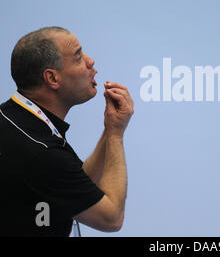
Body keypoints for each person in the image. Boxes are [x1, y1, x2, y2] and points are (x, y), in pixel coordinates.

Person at [0, 26, 134, 236]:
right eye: (78, 57)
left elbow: (74, 185)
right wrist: (116, 135)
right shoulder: (42, 153)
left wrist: (110, 129)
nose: (91, 62)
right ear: (52, 78)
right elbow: (112, 218)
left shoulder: (14, 119)